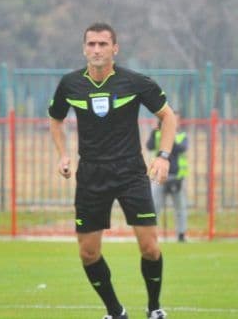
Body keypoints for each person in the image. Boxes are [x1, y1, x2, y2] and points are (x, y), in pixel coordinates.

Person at [49, 22, 177, 319]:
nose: (96, 50)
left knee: (149, 247)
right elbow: (56, 119)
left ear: (114, 49)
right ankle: (115, 312)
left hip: (131, 171)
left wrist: (163, 156)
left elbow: (167, 116)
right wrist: (63, 155)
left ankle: (154, 308)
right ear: (84, 48)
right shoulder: (70, 84)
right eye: (91, 44)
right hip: (91, 174)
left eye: (103, 44)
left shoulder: (134, 82)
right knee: (88, 252)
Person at [145, 113, 189, 242]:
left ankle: (181, 235)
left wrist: (169, 137)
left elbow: (181, 148)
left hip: (176, 177)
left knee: (180, 208)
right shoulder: (158, 134)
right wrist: (156, 131)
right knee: (154, 206)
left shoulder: (182, 136)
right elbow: (149, 146)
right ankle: (152, 235)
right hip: (159, 177)